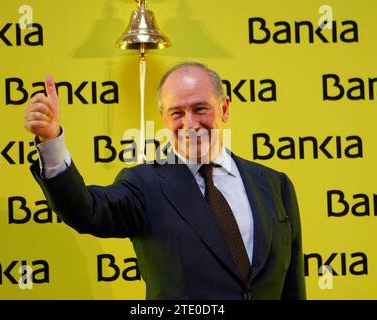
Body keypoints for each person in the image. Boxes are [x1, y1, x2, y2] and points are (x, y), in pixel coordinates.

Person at [24, 62, 306, 300]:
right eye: (177, 113)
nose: (190, 124)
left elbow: (292, 285)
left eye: (200, 109)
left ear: (225, 108)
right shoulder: (144, 184)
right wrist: (51, 141)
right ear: (162, 118)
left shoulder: (274, 184)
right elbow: (86, 211)